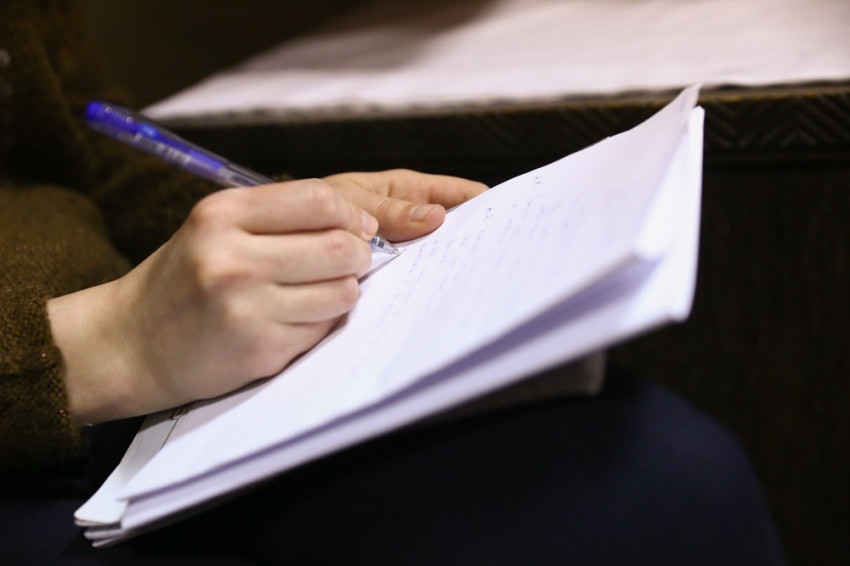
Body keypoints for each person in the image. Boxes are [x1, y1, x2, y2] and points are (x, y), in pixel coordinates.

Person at [1, 1, 785, 563]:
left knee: (665, 470)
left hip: (145, 374)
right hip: (59, 405)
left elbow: (81, 144)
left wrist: (280, 218)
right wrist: (105, 343)